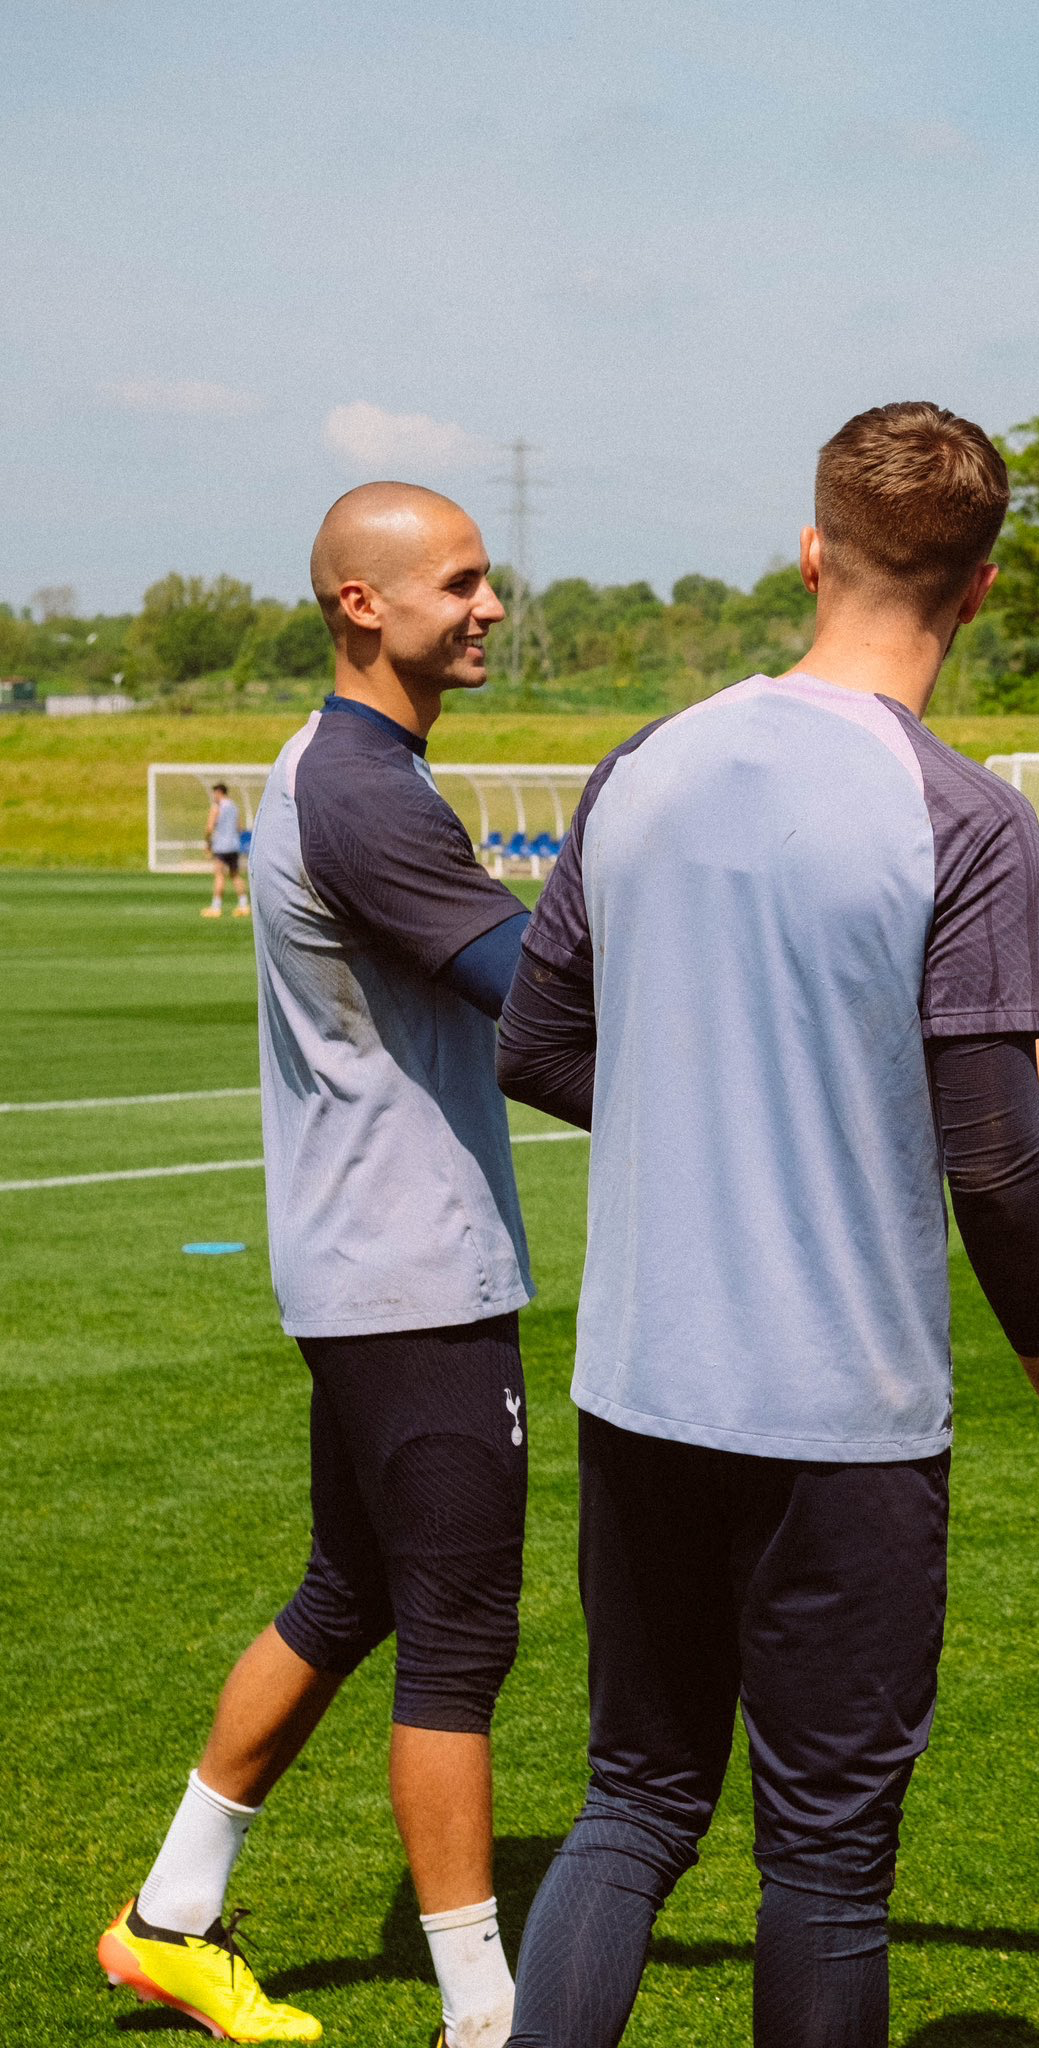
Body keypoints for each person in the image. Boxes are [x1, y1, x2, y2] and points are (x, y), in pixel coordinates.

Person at [494, 402, 1039, 2048]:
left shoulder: (642, 761)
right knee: (829, 1863)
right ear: (978, 589)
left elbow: (538, 1043)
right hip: (839, 1418)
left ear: (807, 550)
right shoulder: (963, 815)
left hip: (641, 1383)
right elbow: (993, 1156)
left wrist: (705, 1120)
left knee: (631, 1799)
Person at [100, 484, 537, 2048]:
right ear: (365, 601)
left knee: (349, 1592)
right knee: (459, 1635)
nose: (489, 606)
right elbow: (538, 1012)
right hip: (416, 1280)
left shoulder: (347, 770)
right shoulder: (360, 788)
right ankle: (486, 2016)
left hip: (368, 1266)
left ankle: (168, 1920)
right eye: (462, 583)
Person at [203, 781, 251, 919]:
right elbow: (240, 827)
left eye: (214, 793)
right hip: (234, 846)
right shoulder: (234, 807)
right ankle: (243, 905)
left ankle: (216, 907)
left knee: (219, 875)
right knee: (235, 875)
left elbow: (210, 827)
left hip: (221, 846)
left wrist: (208, 842)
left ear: (219, 792)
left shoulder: (217, 807)